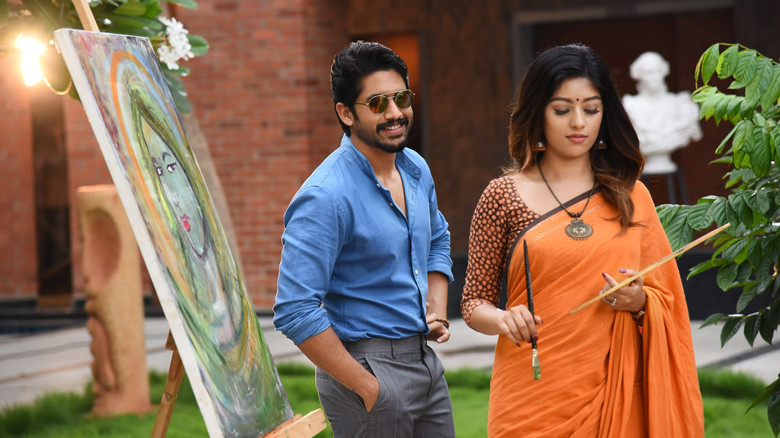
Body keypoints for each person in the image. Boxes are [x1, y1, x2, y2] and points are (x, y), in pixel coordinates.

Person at [461, 44, 704, 437]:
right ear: (537, 112)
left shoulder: (630, 196)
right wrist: (504, 319)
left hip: (615, 388)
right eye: (562, 110)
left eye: (591, 109)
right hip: (530, 394)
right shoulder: (503, 196)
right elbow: (473, 303)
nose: (578, 123)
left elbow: (667, 299)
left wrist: (641, 302)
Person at [273, 40, 456, 437]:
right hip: (367, 370)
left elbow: (438, 240)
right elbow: (295, 308)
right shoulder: (326, 195)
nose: (395, 113)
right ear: (345, 113)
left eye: (401, 98)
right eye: (377, 103)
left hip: (424, 361)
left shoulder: (415, 168)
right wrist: (369, 388)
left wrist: (436, 310)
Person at [622, 51, 702, 175]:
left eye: (657, 71)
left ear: (664, 72)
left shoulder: (681, 105)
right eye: (649, 72)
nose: (654, 77)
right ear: (639, 75)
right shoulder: (630, 106)